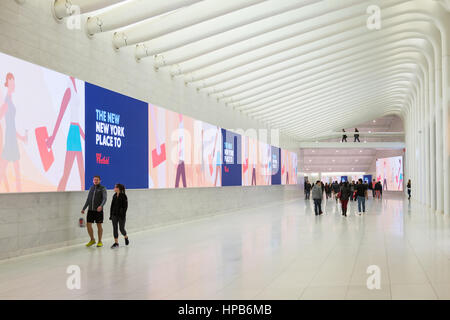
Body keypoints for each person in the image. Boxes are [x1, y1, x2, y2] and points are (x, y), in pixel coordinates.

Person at [46, 76, 85, 191]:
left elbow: (76, 120)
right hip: (73, 134)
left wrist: (84, 137)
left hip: (76, 132)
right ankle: (58, 195)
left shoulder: (75, 86)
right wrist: (53, 137)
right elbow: (61, 115)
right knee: (67, 174)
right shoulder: (69, 90)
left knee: (82, 175)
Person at [0, 73, 28, 192]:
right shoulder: (7, 100)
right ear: (8, 84)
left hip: (12, 138)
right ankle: (13, 190)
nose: (14, 84)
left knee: (15, 171)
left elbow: (12, 125)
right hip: (9, 139)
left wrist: (21, 137)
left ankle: (18, 192)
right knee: (4, 169)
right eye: (12, 82)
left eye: (14, 82)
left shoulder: (10, 99)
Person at [82, 176, 107, 247]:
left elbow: (104, 199)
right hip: (90, 210)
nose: (95, 181)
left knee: (99, 225)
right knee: (88, 225)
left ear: (100, 180)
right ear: (93, 181)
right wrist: (84, 208)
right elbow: (88, 199)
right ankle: (92, 239)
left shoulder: (102, 188)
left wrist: (101, 206)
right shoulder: (91, 188)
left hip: (98, 210)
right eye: (94, 180)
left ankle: (100, 241)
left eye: (97, 180)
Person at [110, 183, 129, 249]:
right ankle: (116, 243)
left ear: (118, 188)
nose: (114, 188)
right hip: (114, 215)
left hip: (121, 216)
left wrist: (123, 214)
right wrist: (111, 215)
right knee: (115, 228)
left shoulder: (124, 196)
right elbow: (112, 206)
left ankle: (126, 236)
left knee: (121, 229)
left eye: (115, 187)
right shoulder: (114, 196)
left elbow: (125, 207)